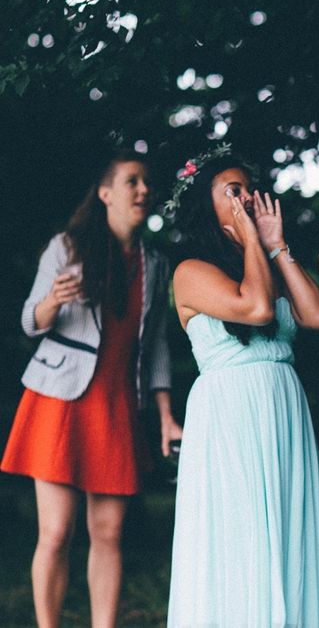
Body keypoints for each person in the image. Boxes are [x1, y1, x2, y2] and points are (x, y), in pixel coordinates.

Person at [1, 150, 183, 628]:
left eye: (148, 183)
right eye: (132, 182)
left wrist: (165, 414)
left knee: (109, 534)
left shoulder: (156, 264)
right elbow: (29, 320)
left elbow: (157, 344)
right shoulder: (67, 246)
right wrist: (51, 302)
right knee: (56, 532)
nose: (144, 190)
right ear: (105, 193)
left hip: (117, 406)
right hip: (59, 399)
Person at [165, 148, 319, 627]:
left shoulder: (266, 263)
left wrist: (277, 246)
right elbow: (257, 309)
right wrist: (253, 247)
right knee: (240, 532)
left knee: (287, 526)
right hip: (230, 412)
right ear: (207, 207)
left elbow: (316, 317)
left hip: (282, 403)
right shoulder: (190, 272)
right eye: (231, 191)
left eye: (247, 188)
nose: (245, 197)